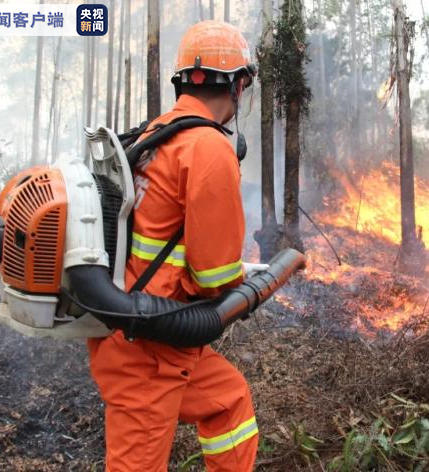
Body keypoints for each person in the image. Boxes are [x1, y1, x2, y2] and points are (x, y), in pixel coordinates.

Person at [87, 21, 259, 471]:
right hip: (148, 347)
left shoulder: (156, 133)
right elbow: (215, 276)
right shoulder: (207, 147)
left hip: (144, 328)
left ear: (184, 80)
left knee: (228, 402)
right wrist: (240, 285)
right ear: (238, 85)